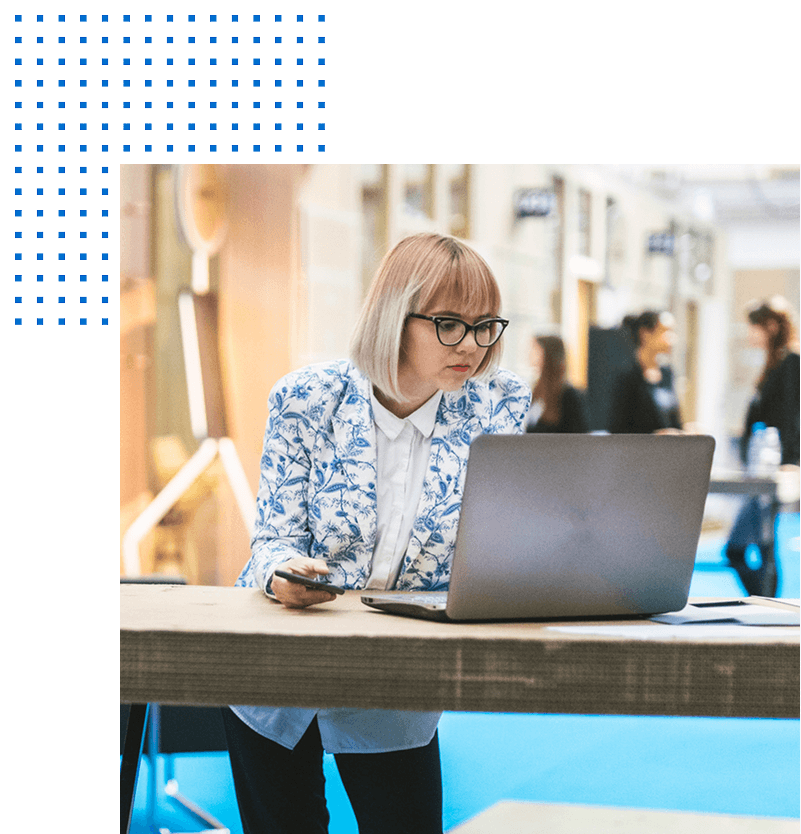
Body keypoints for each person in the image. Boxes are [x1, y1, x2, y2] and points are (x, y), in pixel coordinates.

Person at [222, 232, 531, 834]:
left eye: (485, 324)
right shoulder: (306, 398)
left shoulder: (497, 405)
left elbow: (495, 546)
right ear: (396, 316)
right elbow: (273, 538)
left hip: (398, 668)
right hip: (282, 660)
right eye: (448, 323)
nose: (470, 344)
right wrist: (283, 576)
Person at [724, 297, 800, 597]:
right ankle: (766, 603)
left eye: (753, 327)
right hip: (760, 467)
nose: (749, 334)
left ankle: (766, 604)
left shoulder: (790, 362)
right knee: (764, 544)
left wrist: (792, 460)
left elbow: (791, 416)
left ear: (769, 327)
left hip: (774, 467)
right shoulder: (773, 363)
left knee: (747, 547)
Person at [607, 310, 683, 434]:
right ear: (645, 334)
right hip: (641, 452)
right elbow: (617, 430)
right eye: (666, 331)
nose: (672, 338)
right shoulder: (627, 376)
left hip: (669, 451)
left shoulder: (667, 374)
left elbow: (673, 421)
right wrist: (654, 436)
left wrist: (685, 431)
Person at [525, 335, 588, 433]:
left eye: (536, 350)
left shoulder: (568, 396)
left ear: (548, 354)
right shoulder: (535, 390)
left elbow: (577, 434)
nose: (530, 354)